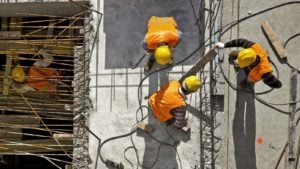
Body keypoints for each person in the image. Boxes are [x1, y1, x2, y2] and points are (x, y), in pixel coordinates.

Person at [215, 38, 282, 88]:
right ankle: (238, 54)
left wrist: (246, 81)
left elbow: (272, 81)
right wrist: (224, 45)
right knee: (231, 54)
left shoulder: (258, 75)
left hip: (252, 72)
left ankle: (244, 82)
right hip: (247, 55)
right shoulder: (255, 48)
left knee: (249, 80)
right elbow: (240, 42)